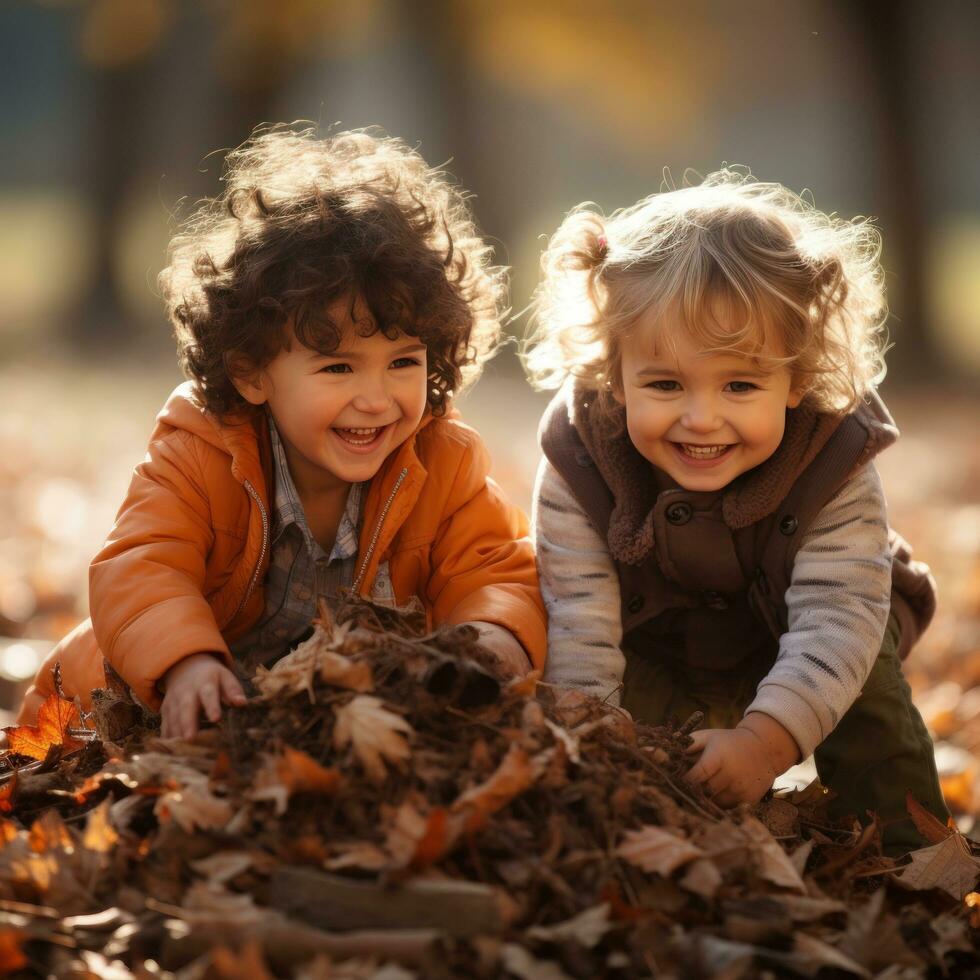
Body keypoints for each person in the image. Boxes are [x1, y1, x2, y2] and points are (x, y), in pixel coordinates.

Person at [20, 126, 546, 739]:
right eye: (337, 367)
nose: (376, 399)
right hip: (143, 709)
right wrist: (186, 663)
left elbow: (493, 571)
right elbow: (141, 568)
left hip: (324, 722)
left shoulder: (442, 462)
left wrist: (490, 640)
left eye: (403, 361)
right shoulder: (200, 451)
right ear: (250, 373)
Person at [523, 170, 948, 853]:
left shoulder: (831, 460)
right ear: (612, 372)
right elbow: (579, 624)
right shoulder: (579, 458)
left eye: (740, 384)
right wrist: (590, 748)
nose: (701, 418)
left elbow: (837, 617)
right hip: (655, 640)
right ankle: (636, 833)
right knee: (628, 738)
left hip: (808, 635)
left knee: (868, 690)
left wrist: (763, 742)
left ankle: (911, 852)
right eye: (663, 383)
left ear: (798, 379)